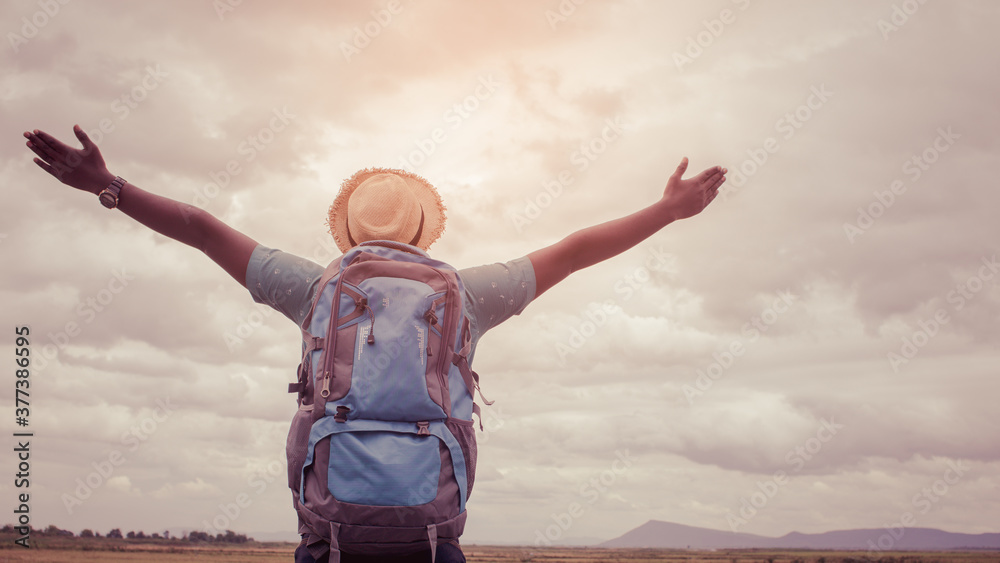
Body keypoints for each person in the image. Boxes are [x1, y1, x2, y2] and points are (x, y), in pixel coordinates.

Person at [23, 125, 727, 562]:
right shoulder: (468, 294)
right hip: (430, 535)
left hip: (331, 535)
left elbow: (203, 227)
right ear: (423, 230)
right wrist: (668, 209)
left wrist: (106, 185)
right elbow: (573, 250)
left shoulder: (313, 287)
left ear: (350, 232)